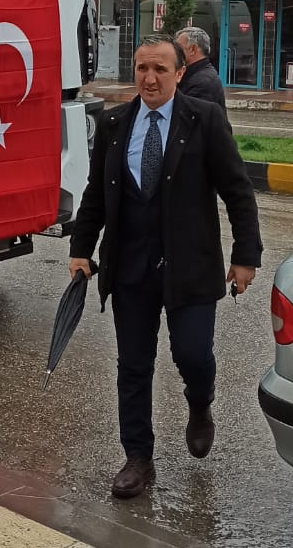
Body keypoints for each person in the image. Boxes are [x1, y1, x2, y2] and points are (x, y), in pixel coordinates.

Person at [69, 33, 261, 499]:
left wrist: (245, 257)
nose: (149, 78)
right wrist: (80, 247)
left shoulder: (205, 120)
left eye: (160, 69)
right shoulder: (114, 124)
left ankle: (200, 404)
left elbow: (238, 190)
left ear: (180, 73)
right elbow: (97, 193)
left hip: (190, 267)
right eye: (141, 69)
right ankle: (138, 457)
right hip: (130, 268)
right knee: (133, 366)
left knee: (193, 355)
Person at [176, 26, 227, 109]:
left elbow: (186, 116)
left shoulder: (202, 82)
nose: (175, 53)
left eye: (178, 48)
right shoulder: (196, 74)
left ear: (193, 49)